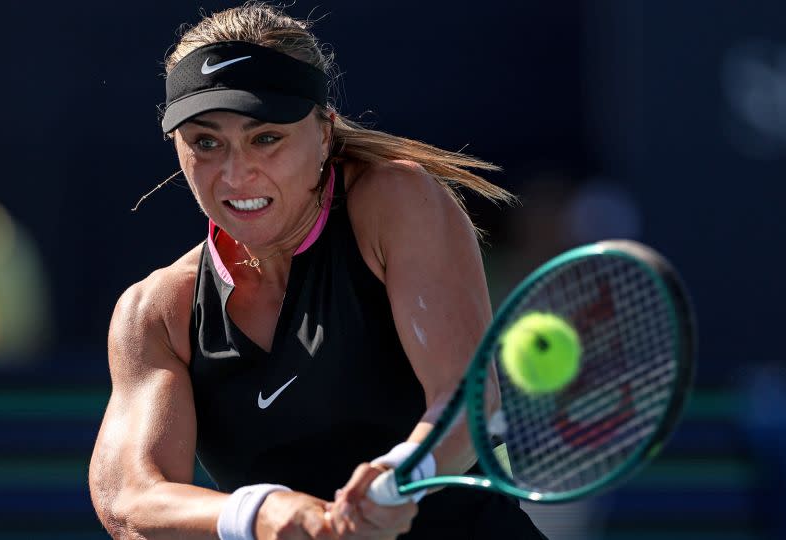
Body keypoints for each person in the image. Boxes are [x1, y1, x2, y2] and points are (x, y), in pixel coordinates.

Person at [89, 3, 547, 539]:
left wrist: (401, 475)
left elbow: (469, 397)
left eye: (266, 138)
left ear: (324, 132)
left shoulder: (397, 201)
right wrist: (259, 513)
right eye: (206, 143)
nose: (236, 174)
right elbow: (128, 500)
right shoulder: (156, 312)